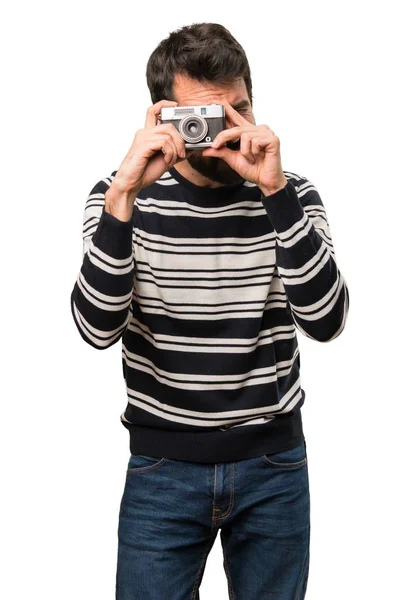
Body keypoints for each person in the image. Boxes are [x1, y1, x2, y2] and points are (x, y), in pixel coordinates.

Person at [70, 22, 349, 600]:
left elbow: (327, 321)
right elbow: (95, 329)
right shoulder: (117, 196)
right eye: (204, 117)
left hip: (273, 464)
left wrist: (275, 196)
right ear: (162, 119)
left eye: (238, 111)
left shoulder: (291, 193)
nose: (224, 133)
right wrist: (123, 199)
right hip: (162, 469)